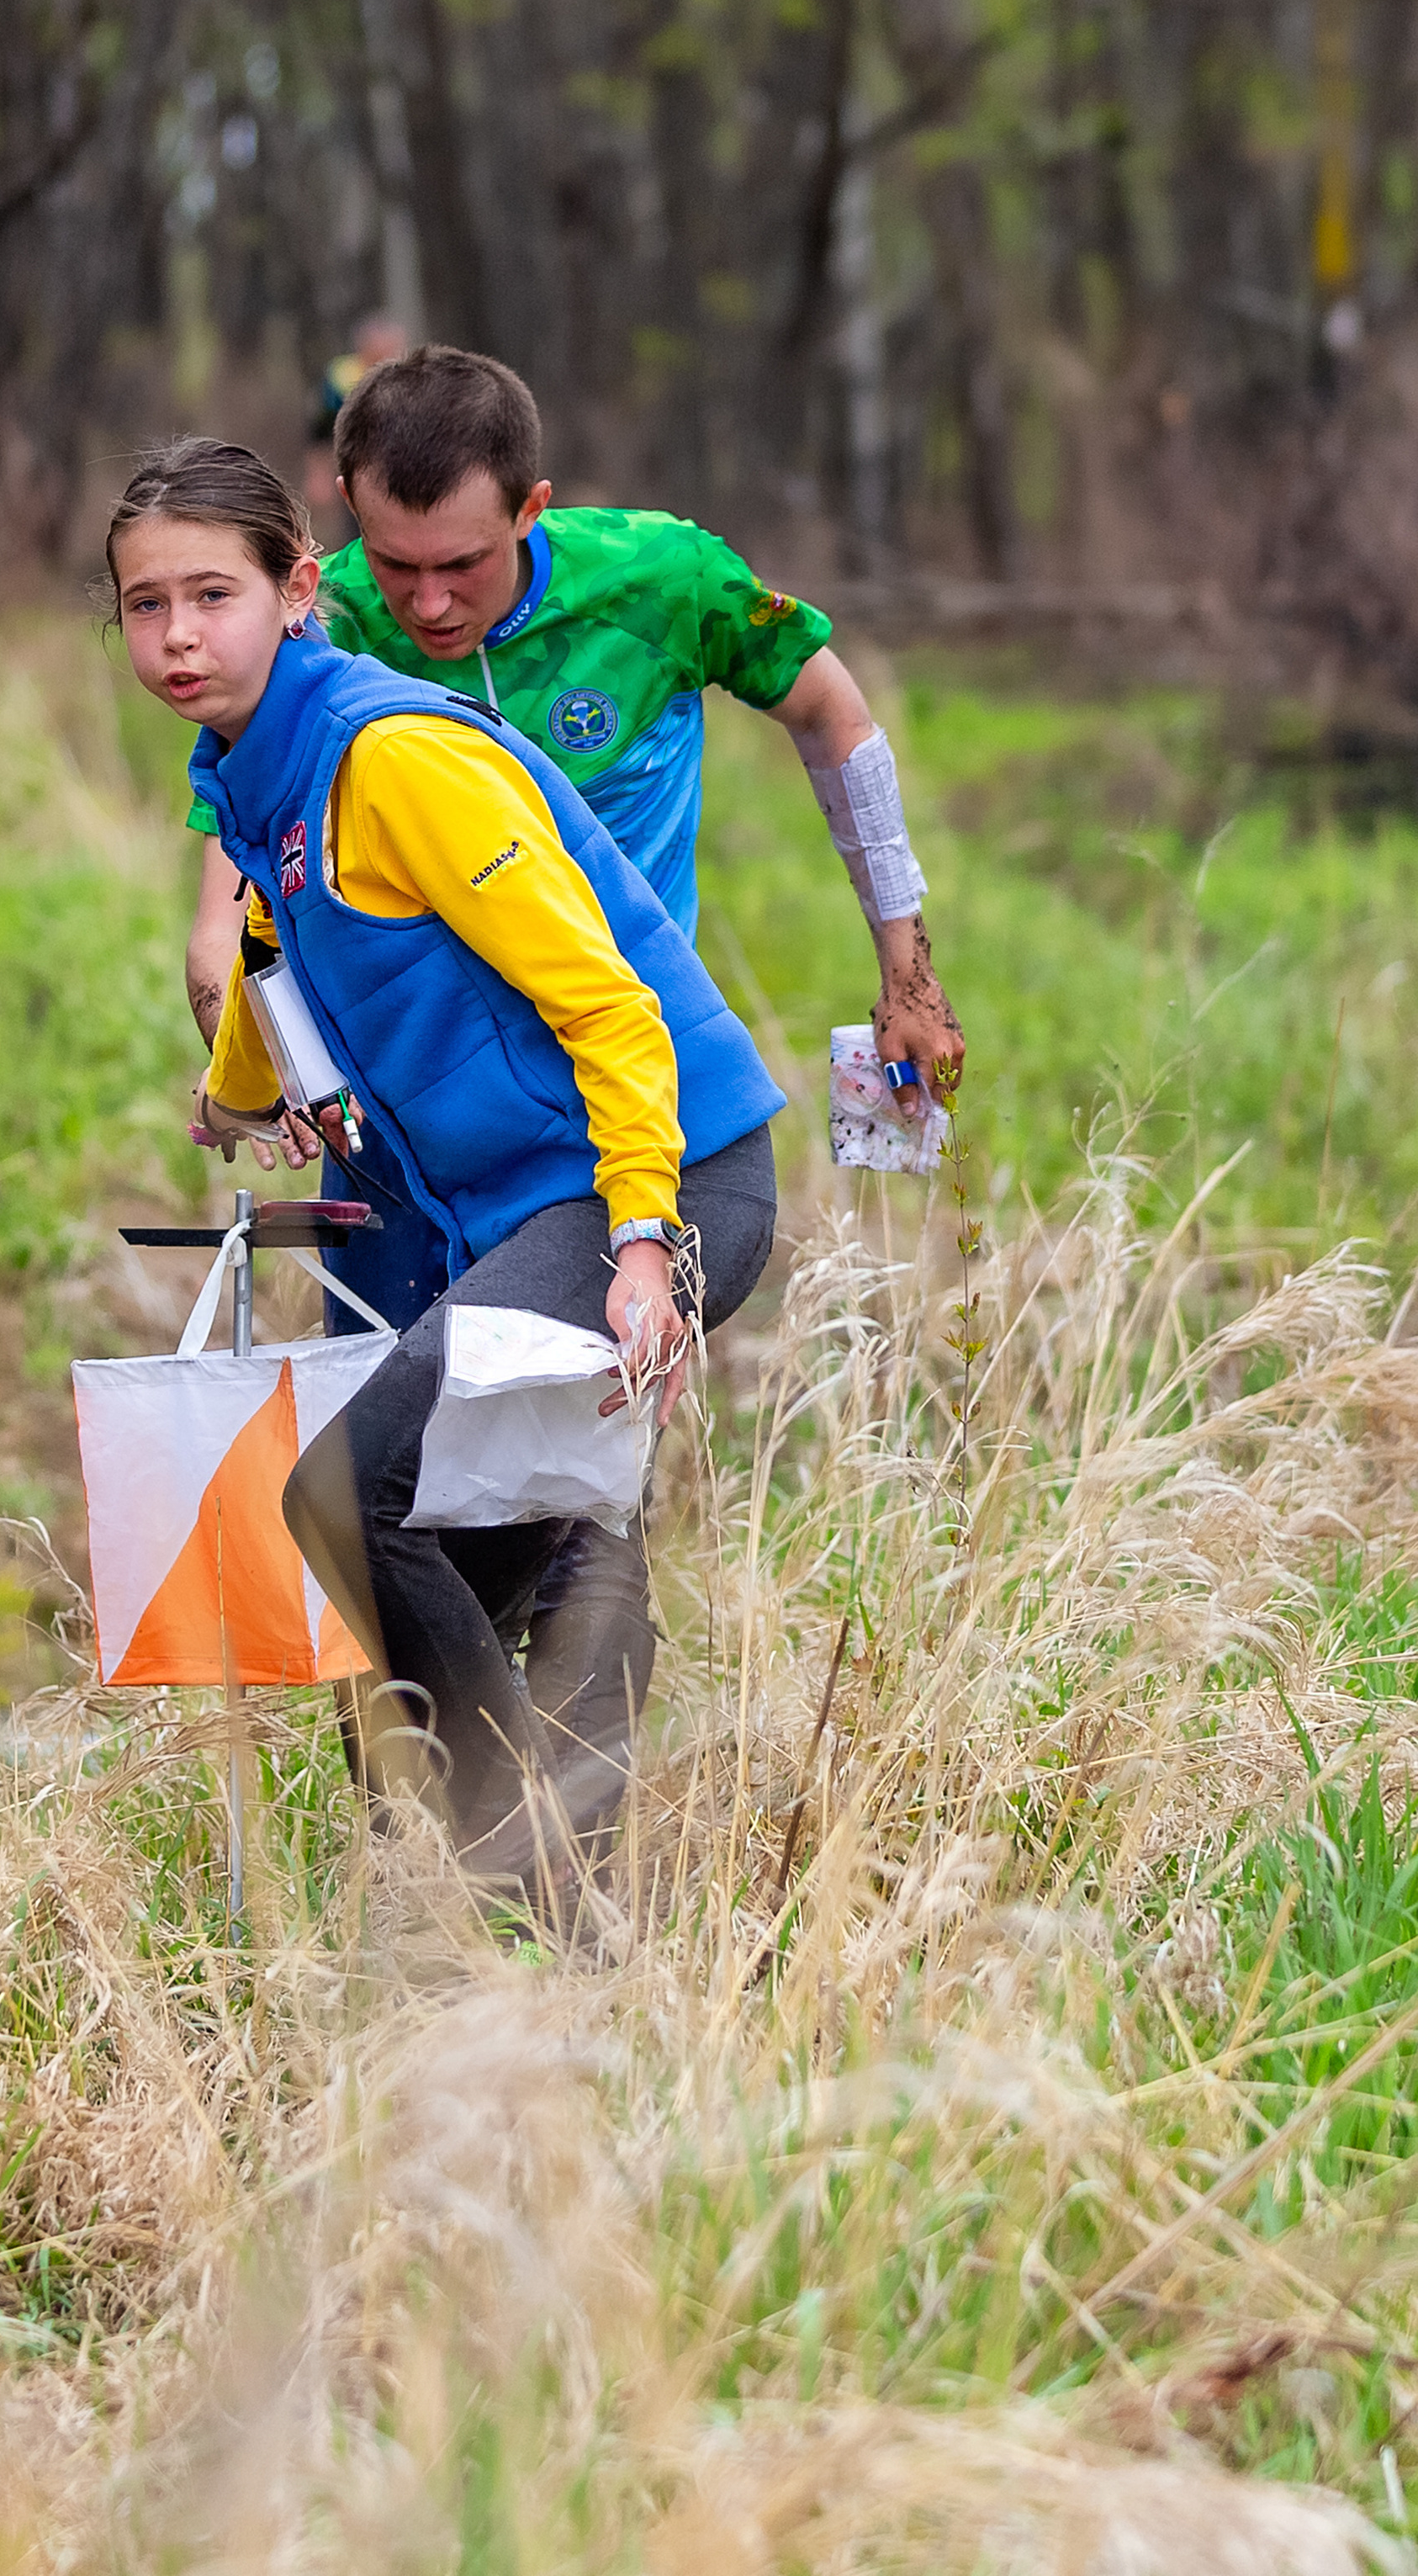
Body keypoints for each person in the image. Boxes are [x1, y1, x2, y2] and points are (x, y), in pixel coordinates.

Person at [180, 347, 966, 1834]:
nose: (424, 603)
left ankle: (551, 1868)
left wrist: (904, 960)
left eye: (461, 563)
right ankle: (484, 1880)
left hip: (614, 1108)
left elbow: (835, 719)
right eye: (392, 565)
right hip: (424, 1141)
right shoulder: (313, 618)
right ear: (343, 525)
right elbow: (257, 859)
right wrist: (238, 1011)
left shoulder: (654, 581)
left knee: (554, 1489)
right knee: (420, 1518)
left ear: (530, 511)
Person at [108, 437, 784, 1902]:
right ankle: (542, 1934)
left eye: (209, 595)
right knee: (450, 1592)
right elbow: (286, 949)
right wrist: (235, 1096)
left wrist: (649, 1244)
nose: (175, 635)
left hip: (655, 1178)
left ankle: (534, 1883)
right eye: (144, 604)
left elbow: (606, 1002)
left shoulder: (391, 756)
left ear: (298, 592)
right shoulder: (256, 769)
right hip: (542, 1199)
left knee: (350, 1496)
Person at [301, 311, 410, 543]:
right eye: (377, 352)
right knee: (359, 527)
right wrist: (317, 475)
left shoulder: (411, 376)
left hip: (403, 468)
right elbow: (319, 429)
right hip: (355, 467)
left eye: (391, 350)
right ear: (363, 349)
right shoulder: (341, 377)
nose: (385, 358)